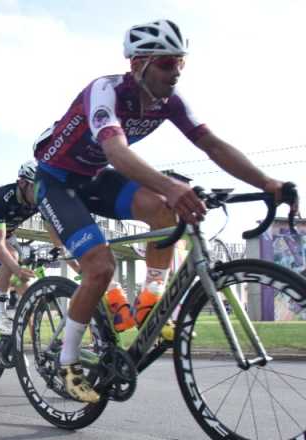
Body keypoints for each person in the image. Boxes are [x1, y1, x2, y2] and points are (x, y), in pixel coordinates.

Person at [32, 19, 298, 404]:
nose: (175, 73)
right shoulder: (105, 91)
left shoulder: (170, 102)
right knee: (101, 266)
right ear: (138, 64)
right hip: (57, 183)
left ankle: (150, 301)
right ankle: (68, 360)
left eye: (180, 64)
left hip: (94, 178)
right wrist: (172, 186)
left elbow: (215, 147)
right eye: (166, 64)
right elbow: (116, 151)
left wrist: (267, 184)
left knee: (162, 211)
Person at [0, 161, 77, 335]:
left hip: (8, 236)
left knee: (27, 290)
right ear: (22, 183)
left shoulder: (40, 200)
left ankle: (16, 341)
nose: (39, 193)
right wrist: (17, 269)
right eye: (36, 188)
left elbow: (57, 240)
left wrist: (76, 267)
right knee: (11, 257)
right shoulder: (2, 198)